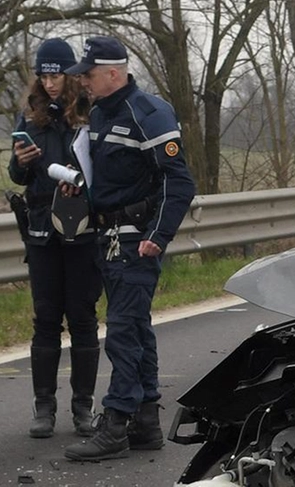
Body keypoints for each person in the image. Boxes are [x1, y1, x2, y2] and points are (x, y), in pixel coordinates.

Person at [62, 36, 196, 462]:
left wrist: (159, 236)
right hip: (108, 237)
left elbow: (180, 182)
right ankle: (146, 422)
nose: (82, 81)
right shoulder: (100, 113)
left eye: (88, 74)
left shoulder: (149, 114)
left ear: (113, 73)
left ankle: (115, 423)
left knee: (122, 331)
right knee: (135, 329)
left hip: (138, 240)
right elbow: (110, 179)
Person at [8, 38, 101, 439]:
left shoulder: (89, 114)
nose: (49, 83)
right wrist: (20, 162)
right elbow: (17, 176)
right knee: (45, 318)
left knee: (82, 318)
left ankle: (83, 407)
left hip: (82, 229)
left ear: (71, 76)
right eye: (44, 75)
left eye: (56, 74)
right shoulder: (28, 118)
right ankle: (43, 407)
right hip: (42, 230)